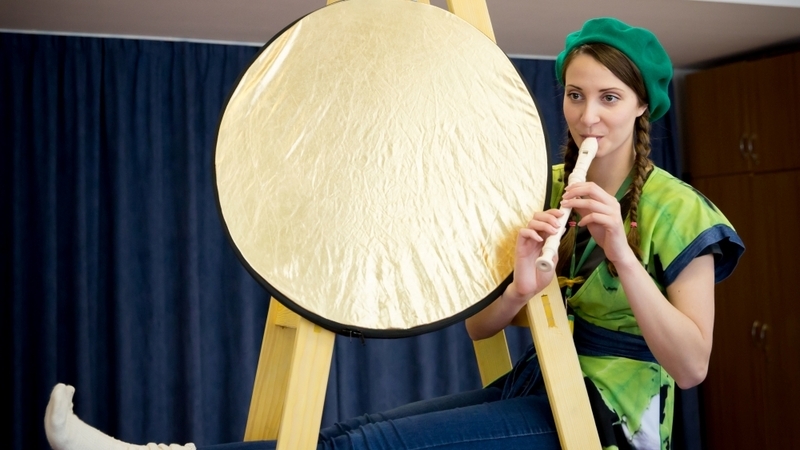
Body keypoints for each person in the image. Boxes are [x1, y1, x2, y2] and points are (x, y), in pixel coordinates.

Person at [44, 17, 744, 450]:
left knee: (370, 449)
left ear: (642, 105)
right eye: (575, 94)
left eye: (610, 98)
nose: (588, 116)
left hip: (610, 417)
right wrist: (522, 286)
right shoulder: (545, 184)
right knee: (345, 433)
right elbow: (481, 325)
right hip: (541, 381)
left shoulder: (680, 210)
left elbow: (691, 368)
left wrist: (621, 253)